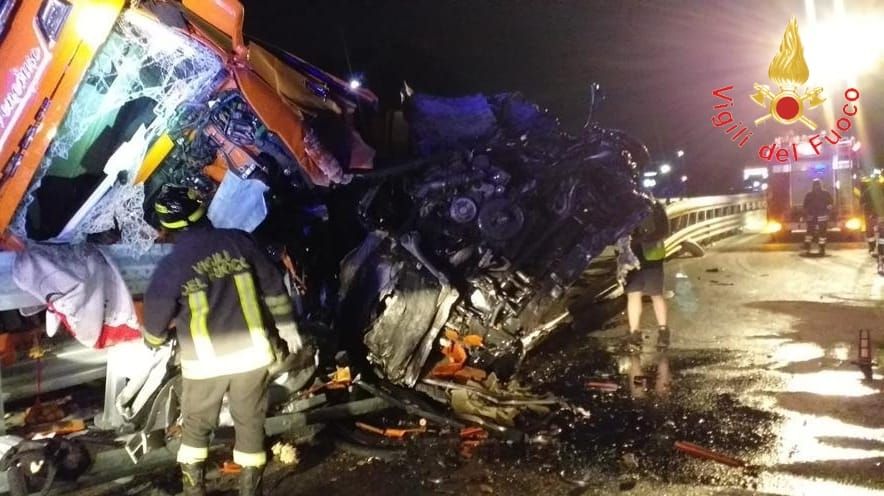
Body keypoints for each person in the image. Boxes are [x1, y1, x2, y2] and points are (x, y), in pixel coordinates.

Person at [143, 185, 303, 496]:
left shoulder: (171, 265)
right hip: (253, 356)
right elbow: (273, 285)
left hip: (205, 362)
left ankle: (194, 491)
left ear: (167, 228)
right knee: (250, 422)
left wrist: (154, 341)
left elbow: (156, 314)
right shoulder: (239, 241)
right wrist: (287, 327)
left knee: (196, 427)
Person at [623, 200, 670, 350]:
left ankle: (663, 331)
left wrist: (641, 239)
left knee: (655, 294)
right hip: (631, 258)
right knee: (633, 294)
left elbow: (663, 230)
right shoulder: (625, 206)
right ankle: (634, 333)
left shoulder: (654, 206)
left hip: (650, 256)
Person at [802, 179, 833, 256]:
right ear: (821, 185)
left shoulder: (809, 194)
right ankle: (822, 249)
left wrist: (807, 213)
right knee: (822, 233)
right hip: (822, 216)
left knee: (809, 232)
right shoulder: (826, 194)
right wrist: (827, 211)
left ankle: (807, 247)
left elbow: (805, 206)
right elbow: (830, 204)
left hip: (811, 216)